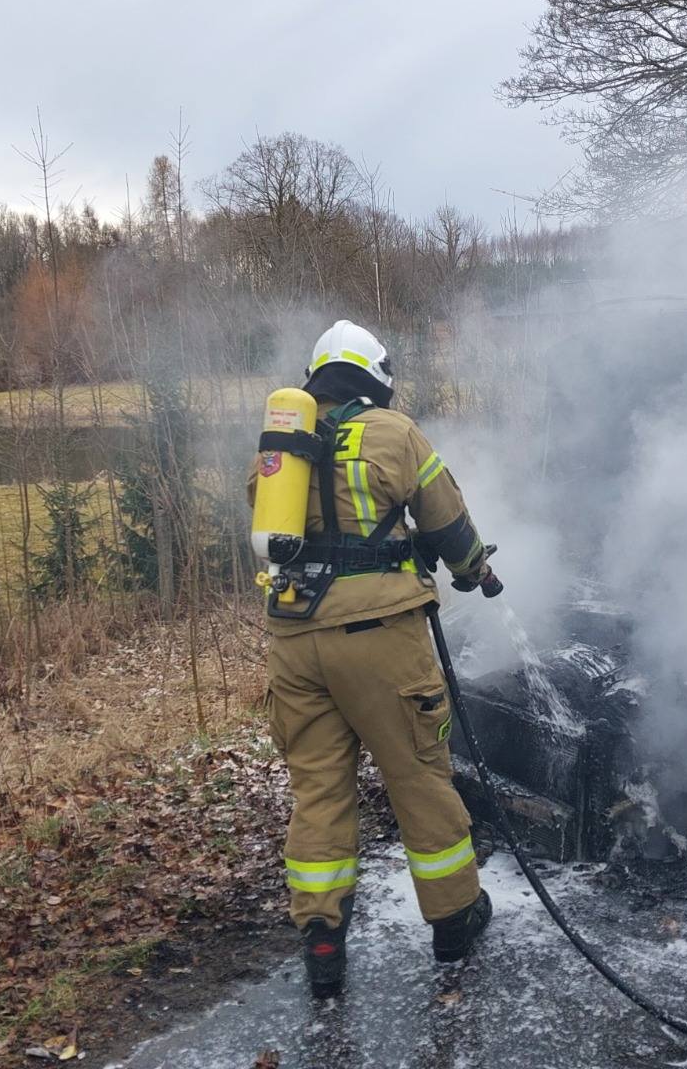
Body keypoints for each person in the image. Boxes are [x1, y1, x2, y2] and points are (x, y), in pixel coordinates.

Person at [251, 319, 504, 998]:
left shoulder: (286, 444)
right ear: (376, 376)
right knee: (419, 775)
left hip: (295, 642)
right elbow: (446, 517)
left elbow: (267, 526)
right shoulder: (394, 433)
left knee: (320, 790)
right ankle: (454, 923)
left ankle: (323, 938)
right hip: (379, 641)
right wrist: (474, 569)